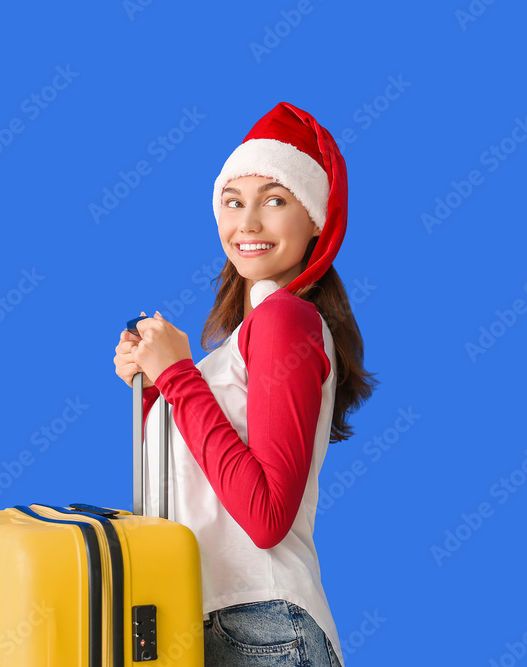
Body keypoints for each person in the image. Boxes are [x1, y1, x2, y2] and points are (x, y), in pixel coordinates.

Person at [112, 102, 377, 667]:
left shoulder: (286, 321)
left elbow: (264, 516)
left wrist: (178, 376)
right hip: (211, 620)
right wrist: (155, 388)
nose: (248, 223)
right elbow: (190, 492)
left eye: (274, 200)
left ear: (316, 220)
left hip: (259, 627)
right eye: (233, 202)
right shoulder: (246, 339)